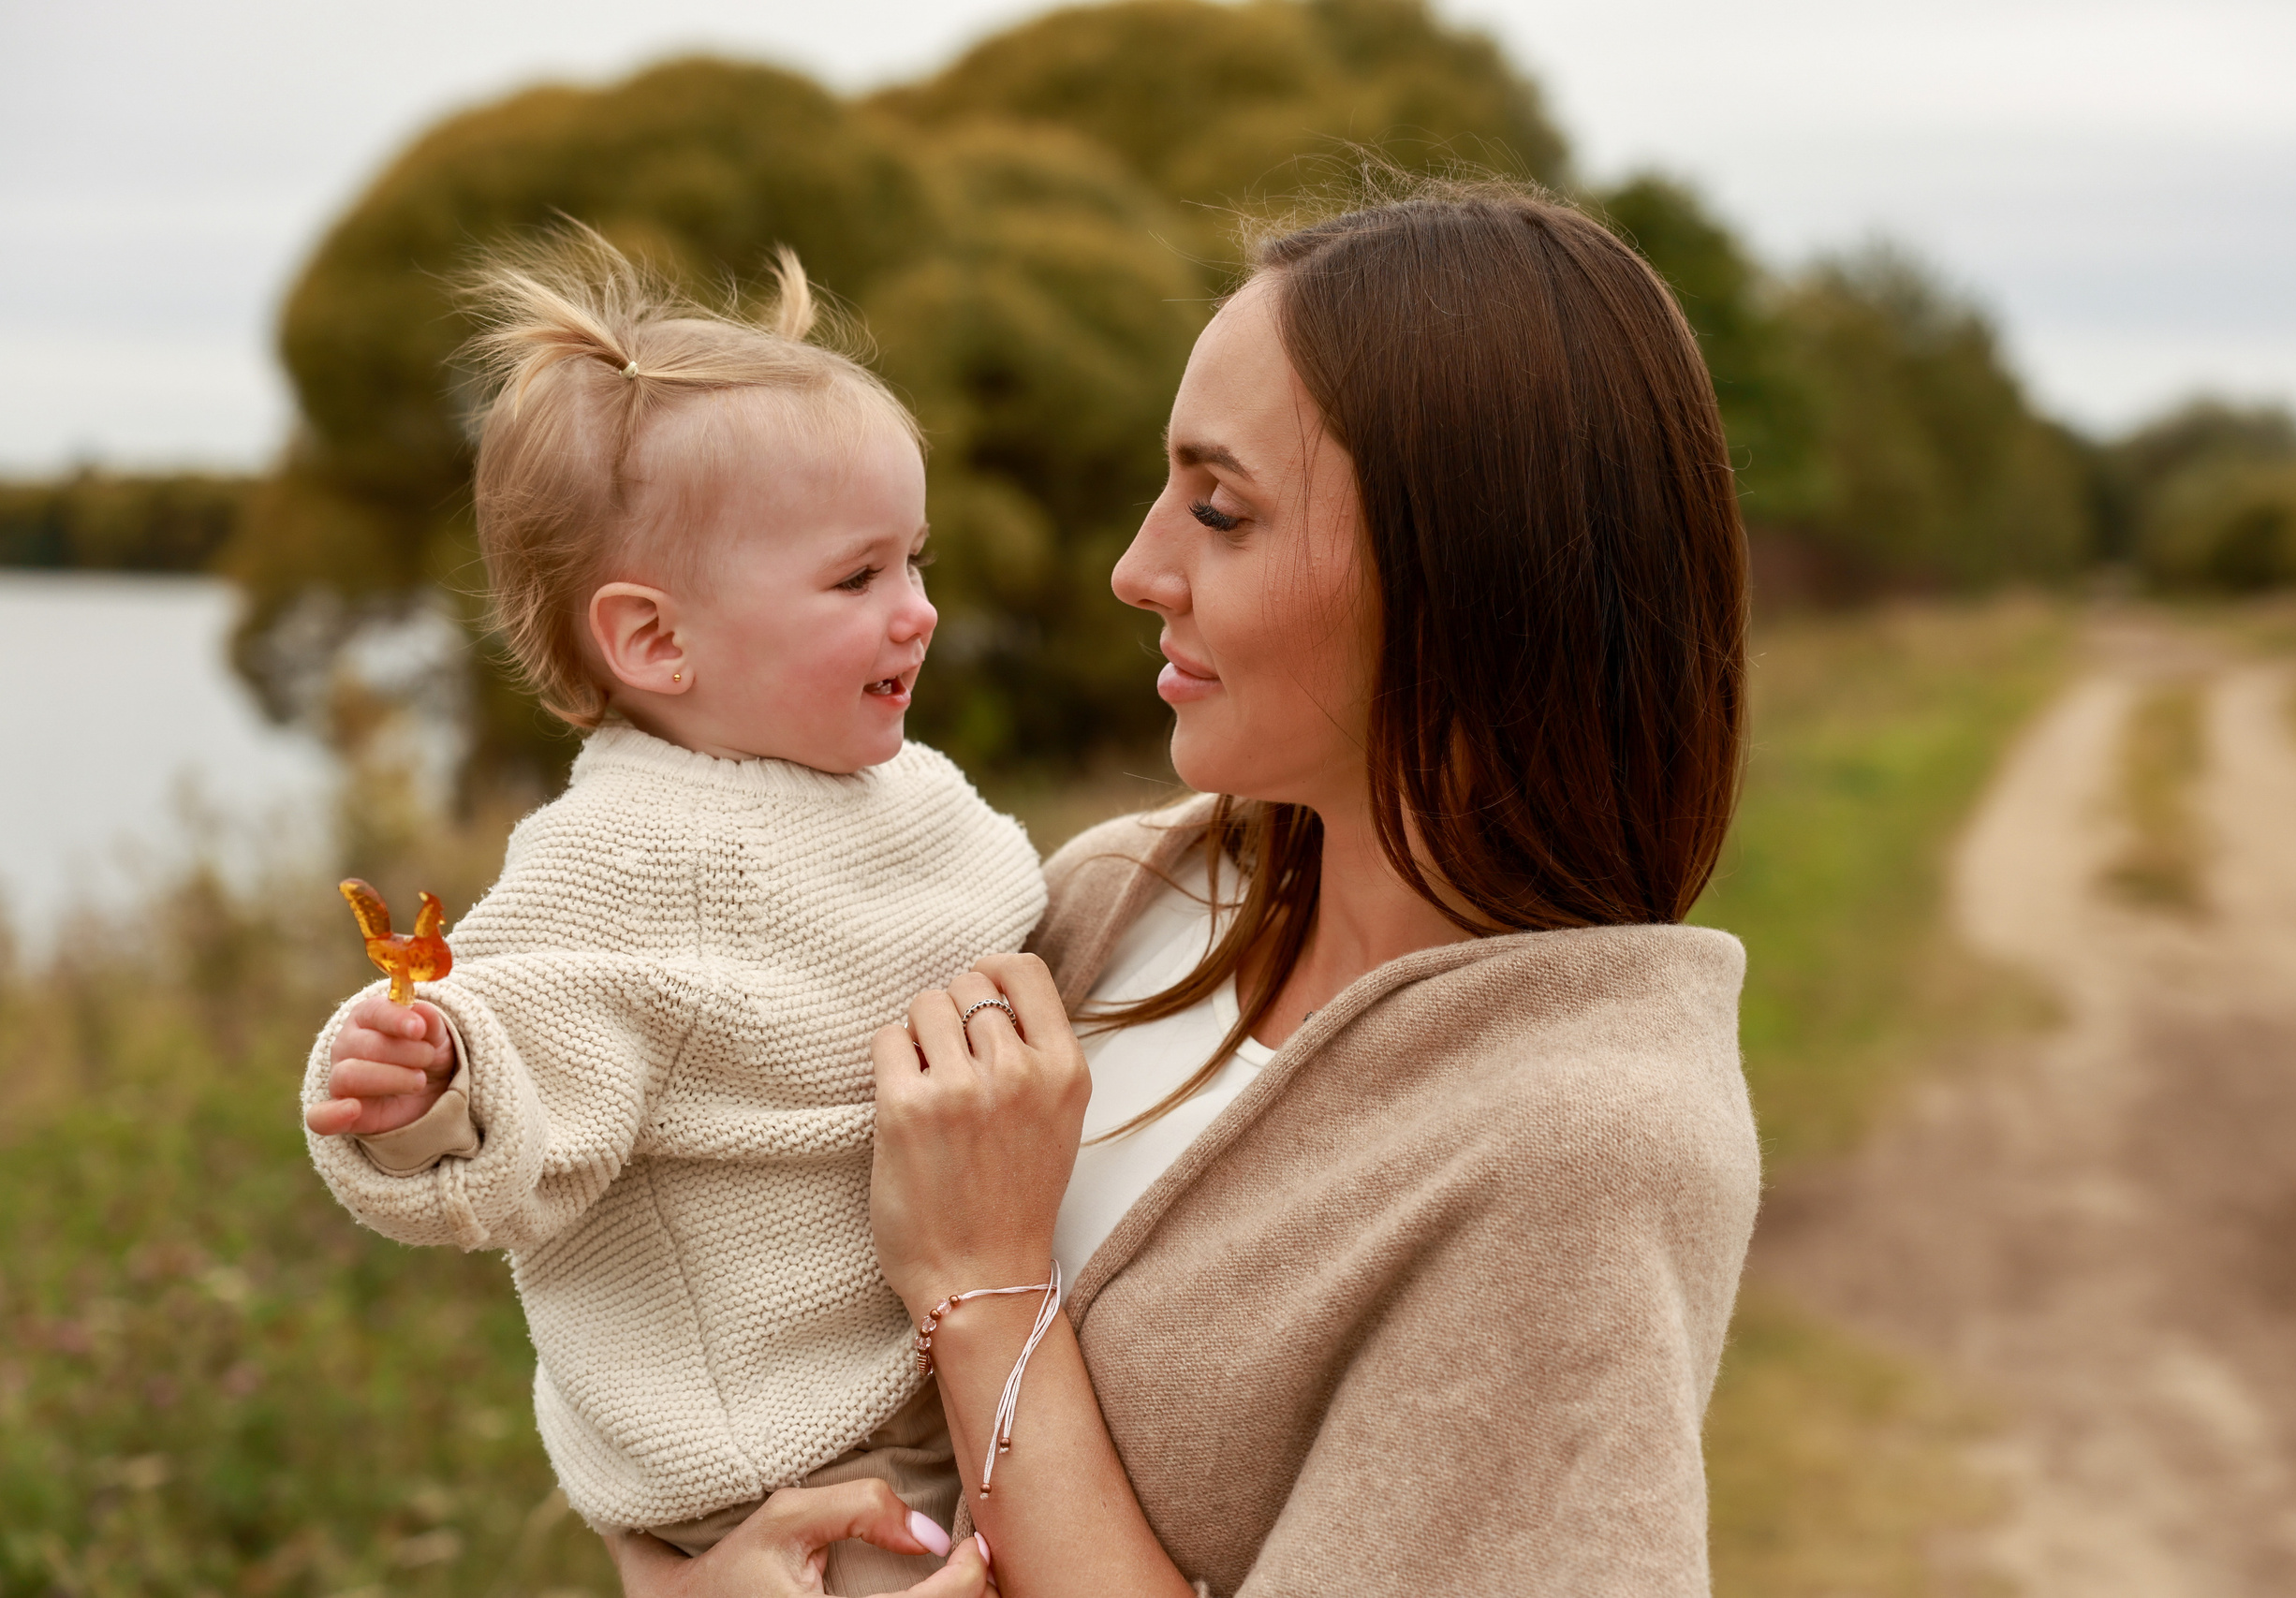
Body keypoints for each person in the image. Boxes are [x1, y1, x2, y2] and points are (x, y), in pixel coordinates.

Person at [632, 179, 1760, 1595]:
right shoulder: (1119, 904)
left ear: (1464, 574)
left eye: (1220, 510)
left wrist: (984, 1294)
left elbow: (955, 1292)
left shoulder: (1580, 1155)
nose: (1135, 567)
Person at [299, 227, 1026, 1595]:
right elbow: (513, 1029)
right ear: (655, 642)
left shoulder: (899, 785)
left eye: (915, 564)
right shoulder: (636, 850)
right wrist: (431, 1083)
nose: (919, 613)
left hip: (921, 1374)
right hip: (777, 1464)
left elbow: (1024, 914)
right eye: (858, 578)